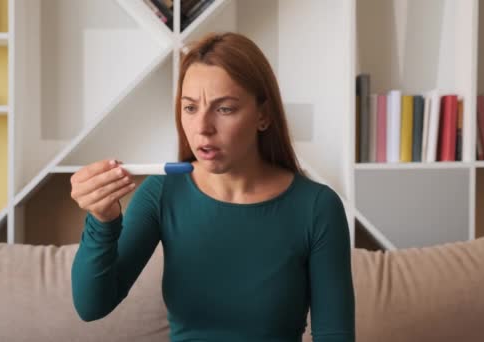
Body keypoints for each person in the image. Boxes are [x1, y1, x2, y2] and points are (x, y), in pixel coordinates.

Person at [70, 32, 355, 342]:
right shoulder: (162, 192)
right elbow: (92, 306)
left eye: (224, 109)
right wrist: (102, 220)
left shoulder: (317, 207)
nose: (202, 127)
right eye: (190, 108)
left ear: (263, 115)